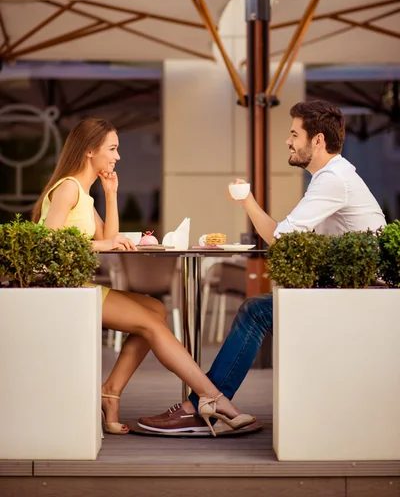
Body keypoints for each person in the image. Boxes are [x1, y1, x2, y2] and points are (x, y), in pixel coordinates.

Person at [139, 99, 386, 434]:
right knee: (258, 308)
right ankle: (206, 402)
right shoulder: (333, 177)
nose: (288, 141)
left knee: (255, 311)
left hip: (364, 297)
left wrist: (247, 201)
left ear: (318, 141)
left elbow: (282, 241)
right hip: (358, 292)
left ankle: (202, 406)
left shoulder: (332, 179)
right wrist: (248, 201)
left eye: (294, 134)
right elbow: (285, 237)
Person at [32, 117, 254, 437]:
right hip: (61, 290)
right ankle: (211, 396)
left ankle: (110, 393)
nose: (118, 156)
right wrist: (104, 242)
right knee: (150, 323)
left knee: (155, 309)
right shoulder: (68, 187)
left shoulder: (83, 192)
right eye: (112, 148)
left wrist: (111, 194)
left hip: (75, 286)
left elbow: (109, 241)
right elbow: (47, 243)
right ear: (89, 151)